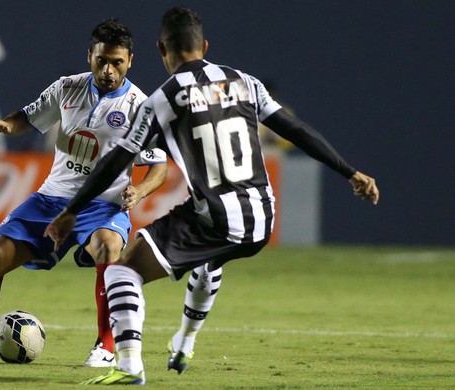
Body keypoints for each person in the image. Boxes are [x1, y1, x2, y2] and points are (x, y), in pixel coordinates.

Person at [45, 6, 380, 385]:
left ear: (161, 49)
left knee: (123, 269)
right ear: (203, 45)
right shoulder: (246, 83)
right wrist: (349, 172)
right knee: (209, 257)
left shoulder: (163, 98)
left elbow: (116, 160)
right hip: (261, 218)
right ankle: (185, 341)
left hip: (216, 217)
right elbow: (296, 130)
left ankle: (127, 363)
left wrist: (72, 209)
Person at [0, 18, 169, 368]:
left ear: (130, 60)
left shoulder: (140, 108)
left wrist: (140, 191)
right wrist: (8, 125)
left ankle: (105, 349)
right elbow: (27, 117)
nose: (109, 69)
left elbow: (159, 168)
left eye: (117, 62)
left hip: (103, 205)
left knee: (109, 249)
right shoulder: (67, 88)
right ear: (90, 56)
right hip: (50, 199)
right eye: (102, 60)